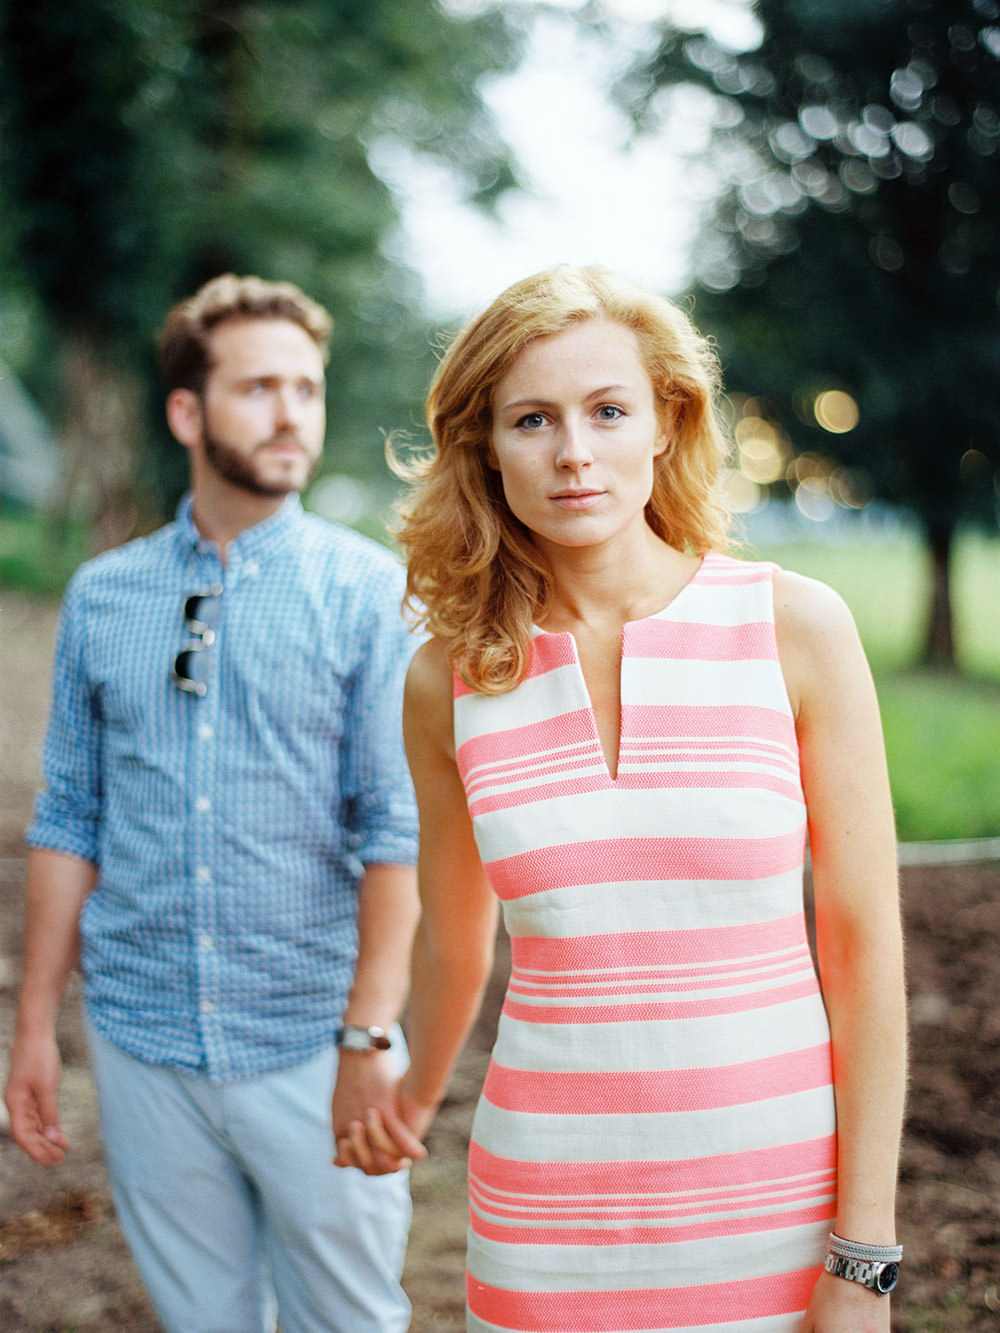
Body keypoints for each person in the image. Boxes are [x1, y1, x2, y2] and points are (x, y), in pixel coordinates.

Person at [334, 265, 907, 1333]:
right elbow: (457, 945)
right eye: (530, 419)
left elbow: (863, 949)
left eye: (606, 410)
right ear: (484, 448)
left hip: (777, 1212)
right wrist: (397, 1095)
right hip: (544, 1219)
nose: (571, 452)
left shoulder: (794, 627)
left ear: (664, 423)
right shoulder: (444, 680)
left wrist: (863, 1252)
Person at [4, 274, 420, 1333]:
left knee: (349, 1321)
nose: (291, 414)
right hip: (142, 1038)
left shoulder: (372, 594)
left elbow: (396, 831)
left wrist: (368, 1044)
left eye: (308, 388)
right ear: (187, 412)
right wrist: (36, 1028)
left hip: (314, 1040)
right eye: (259, 387)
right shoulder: (105, 595)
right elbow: (70, 815)